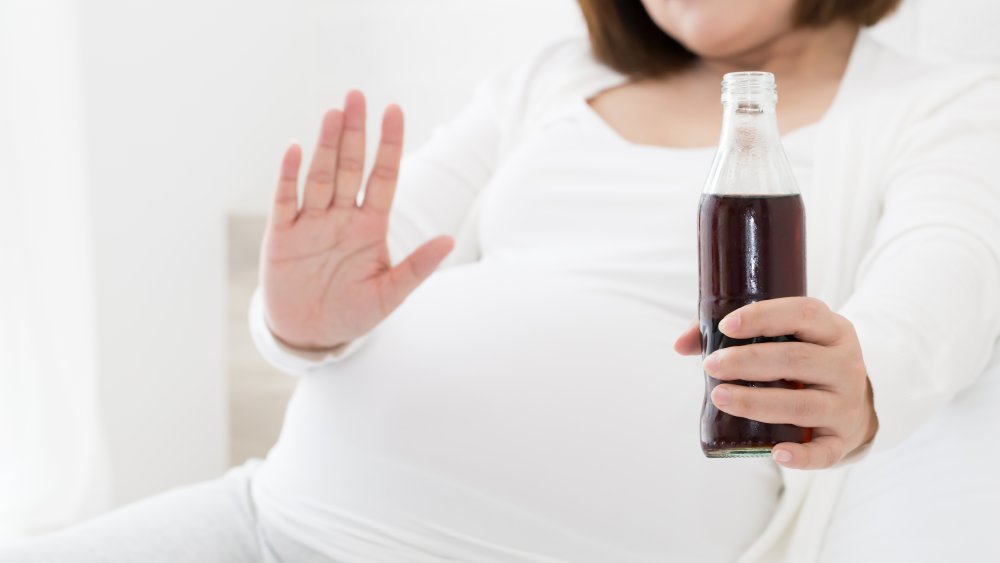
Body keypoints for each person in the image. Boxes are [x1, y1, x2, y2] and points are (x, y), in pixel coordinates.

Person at [4, 0, 999, 561]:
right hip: (272, 524)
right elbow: (370, 259)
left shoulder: (936, 105)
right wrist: (298, 326)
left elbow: (939, 293)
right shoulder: (550, 78)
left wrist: (861, 382)